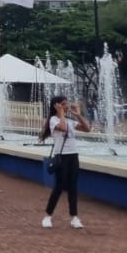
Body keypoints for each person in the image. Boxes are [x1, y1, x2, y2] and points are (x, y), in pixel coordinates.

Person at [40, 93, 91, 230]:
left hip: (73, 155)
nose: (66, 106)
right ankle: (48, 216)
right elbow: (62, 128)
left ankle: (74, 217)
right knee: (59, 187)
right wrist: (60, 113)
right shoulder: (53, 120)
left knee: (73, 186)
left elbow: (87, 129)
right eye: (63, 104)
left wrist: (78, 115)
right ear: (56, 106)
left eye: (66, 104)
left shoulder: (69, 121)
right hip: (61, 156)